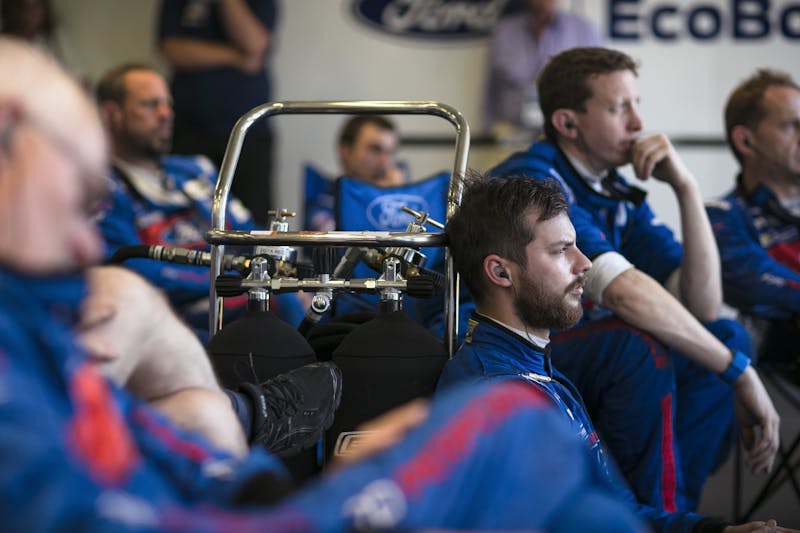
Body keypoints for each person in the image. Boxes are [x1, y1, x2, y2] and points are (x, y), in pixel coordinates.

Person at [0, 35, 650, 531]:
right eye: (72, 201)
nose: (86, 242)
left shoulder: (40, 326)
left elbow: (126, 432)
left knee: (187, 386)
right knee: (515, 421)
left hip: (255, 492)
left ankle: (252, 412)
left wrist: (279, 481)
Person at [489, 46, 780, 513]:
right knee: (634, 345)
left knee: (724, 333)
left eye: (636, 104)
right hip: (512, 358)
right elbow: (621, 291)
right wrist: (738, 371)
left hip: (575, 349)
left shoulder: (616, 190)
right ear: (568, 123)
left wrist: (687, 188)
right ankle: (656, 517)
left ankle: (673, 511)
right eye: (619, 107)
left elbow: (702, 308)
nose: (638, 123)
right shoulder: (536, 178)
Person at [439, 174, 795, 533]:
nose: (585, 264)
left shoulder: (537, 369)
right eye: (562, 250)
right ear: (501, 271)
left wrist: (717, 531)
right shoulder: (495, 396)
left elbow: (618, 511)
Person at [95, 62, 303, 338]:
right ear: (111, 114)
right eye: (150, 104)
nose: (166, 114)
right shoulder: (97, 186)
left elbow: (251, 237)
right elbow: (133, 270)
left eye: (168, 104)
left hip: (238, 297)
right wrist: (231, 281)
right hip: (172, 321)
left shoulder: (195, 169)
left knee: (296, 300)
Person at [706, 69, 800, 384]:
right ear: (746, 140)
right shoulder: (721, 216)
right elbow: (751, 279)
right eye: (792, 126)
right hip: (781, 361)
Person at [158, 0, 277, 226]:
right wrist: (235, 56)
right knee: (183, 218)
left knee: (253, 222)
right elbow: (172, 49)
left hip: (248, 132)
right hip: (188, 127)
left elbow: (254, 44)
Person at [483, 0, 601, 132]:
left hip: (567, 132)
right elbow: (492, 87)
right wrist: (487, 130)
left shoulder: (584, 30)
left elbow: (596, 86)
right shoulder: (505, 31)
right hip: (512, 134)